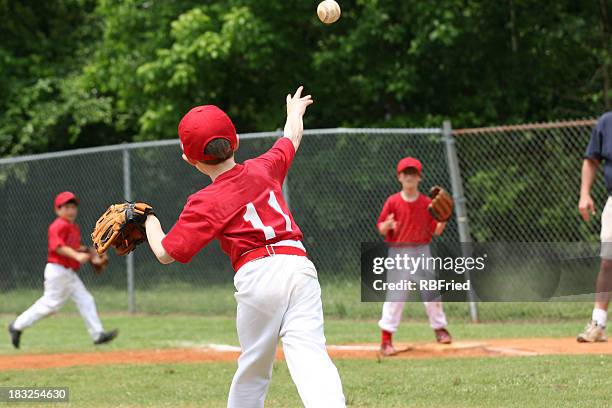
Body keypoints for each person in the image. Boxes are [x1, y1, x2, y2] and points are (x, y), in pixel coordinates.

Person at [142, 87, 345, 408]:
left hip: (258, 275)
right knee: (310, 353)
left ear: (189, 158)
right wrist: (294, 112)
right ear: (234, 140)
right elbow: (291, 138)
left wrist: (147, 219)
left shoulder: (204, 201)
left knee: (255, 366)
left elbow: (166, 253)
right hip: (298, 265)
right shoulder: (264, 167)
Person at [8, 191, 118, 349]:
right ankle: (16, 326)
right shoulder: (58, 225)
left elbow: (75, 247)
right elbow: (57, 247)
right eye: (66, 207)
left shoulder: (73, 227)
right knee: (49, 305)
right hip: (58, 271)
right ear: (57, 210)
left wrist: (90, 252)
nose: (71, 210)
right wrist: (77, 256)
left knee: (86, 300)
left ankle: (98, 334)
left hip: (68, 273)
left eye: (73, 206)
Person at [376, 157, 452, 357]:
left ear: (420, 177)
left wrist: (443, 219)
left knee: (431, 294)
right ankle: (386, 340)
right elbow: (381, 229)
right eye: (405, 173)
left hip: (421, 251)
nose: (409, 176)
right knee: (396, 296)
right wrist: (388, 226)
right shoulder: (392, 201)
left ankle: (440, 329)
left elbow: (436, 231)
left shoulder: (427, 203)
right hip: (399, 253)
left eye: (413, 173)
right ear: (399, 177)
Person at [577, 111, 612, 342]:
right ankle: (598, 323)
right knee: (608, 261)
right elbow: (591, 160)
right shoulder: (607, 122)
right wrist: (584, 193)